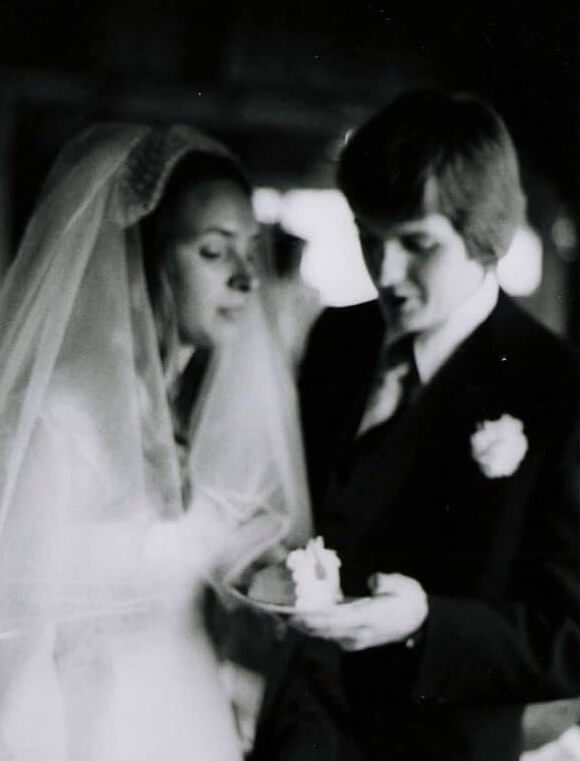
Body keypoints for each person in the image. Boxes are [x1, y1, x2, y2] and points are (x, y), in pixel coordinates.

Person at [251, 90, 580, 761]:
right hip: (294, 728)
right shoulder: (339, 337)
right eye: (368, 237)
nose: (385, 273)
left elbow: (570, 635)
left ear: (484, 236)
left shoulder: (558, 387)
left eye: (417, 243)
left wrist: (426, 624)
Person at [0, 124, 311, 760]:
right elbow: (15, 636)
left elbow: (212, 554)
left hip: (192, 719)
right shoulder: (61, 422)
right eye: (214, 250)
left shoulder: (206, 413)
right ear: (145, 258)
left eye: (251, 250)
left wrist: (266, 576)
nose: (246, 279)